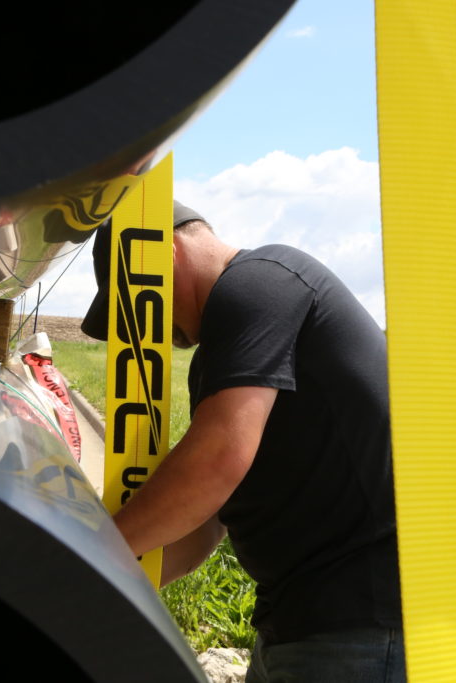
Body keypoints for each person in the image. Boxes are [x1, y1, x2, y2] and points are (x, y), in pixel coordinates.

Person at [81, 202, 405, 682]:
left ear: (161, 257)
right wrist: (123, 582)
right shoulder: (218, 358)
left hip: (359, 625)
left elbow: (217, 460)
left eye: (136, 304)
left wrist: (90, 556)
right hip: (301, 622)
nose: (150, 331)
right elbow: (206, 520)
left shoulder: (260, 282)